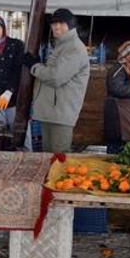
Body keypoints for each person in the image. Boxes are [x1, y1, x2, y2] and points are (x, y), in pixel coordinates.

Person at [24, 8, 90, 153]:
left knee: (58, 158)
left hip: (61, 114)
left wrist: (34, 67)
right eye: (54, 23)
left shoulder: (74, 48)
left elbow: (56, 77)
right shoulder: (62, 45)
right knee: (49, 158)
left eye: (61, 23)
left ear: (70, 25)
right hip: (52, 112)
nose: (56, 27)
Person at [104, 41, 130, 152]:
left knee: (129, 145)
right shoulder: (118, 69)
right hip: (118, 115)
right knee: (117, 147)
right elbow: (116, 89)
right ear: (129, 55)